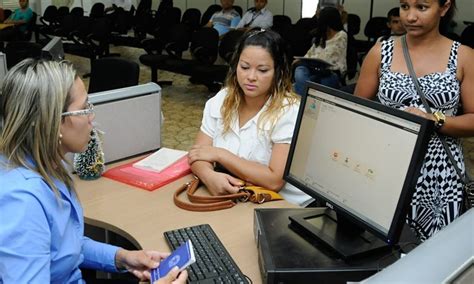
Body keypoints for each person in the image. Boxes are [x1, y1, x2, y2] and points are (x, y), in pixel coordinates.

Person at [0, 59, 188, 284]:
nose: (92, 117)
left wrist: (124, 257)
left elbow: (66, 245)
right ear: (53, 122)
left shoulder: (46, 164)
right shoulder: (22, 200)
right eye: (84, 108)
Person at [355, 0, 474, 241]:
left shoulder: (463, 56)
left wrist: (434, 120)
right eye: (404, 6)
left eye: (421, 7)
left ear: (443, 7)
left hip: (439, 172)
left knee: (434, 253)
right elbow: (357, 111)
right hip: (386, 167)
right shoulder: (381, 51)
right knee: (380, 250)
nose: (410, 17)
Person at [188, 28, 312, 206]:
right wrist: (209, 176)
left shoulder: (289, 110)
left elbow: (274, 180)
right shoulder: (222, 99)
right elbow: (197, 153)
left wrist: (221, 155)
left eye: (262, 70)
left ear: (278, 71)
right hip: (241, 197)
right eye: (244, 67)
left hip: (283, 205)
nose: (251, 77)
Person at [293, 7, 347, 96]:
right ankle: (305, 97)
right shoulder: (321, 36)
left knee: (311, 81)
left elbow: (330, 58)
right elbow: (310, 53)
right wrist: (302, 60)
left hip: (331, 72)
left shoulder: (341, 35)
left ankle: (303, 95)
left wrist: (309, 61)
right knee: (299, 70)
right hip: (314, 68)